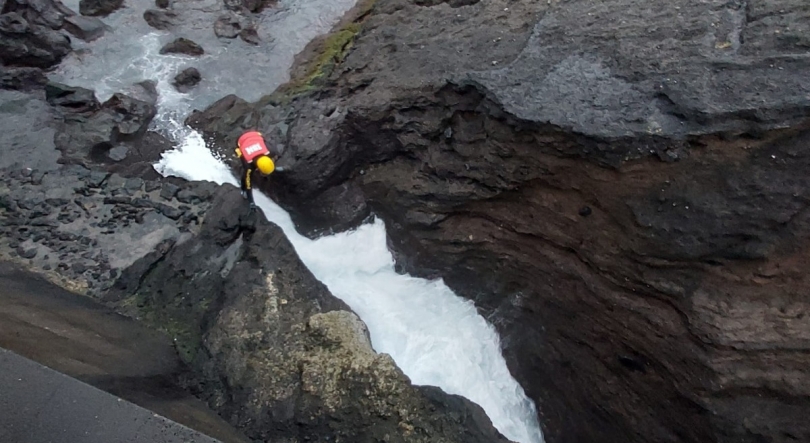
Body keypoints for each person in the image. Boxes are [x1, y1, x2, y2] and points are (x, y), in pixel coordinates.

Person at [235, 130, 275, 209]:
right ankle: (242, 190)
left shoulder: (271, 151)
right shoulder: (248, 165)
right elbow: (248, 184)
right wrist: (251, 202)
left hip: (255, 134)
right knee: (246, 175)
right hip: (241, 139)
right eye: (264, 173)